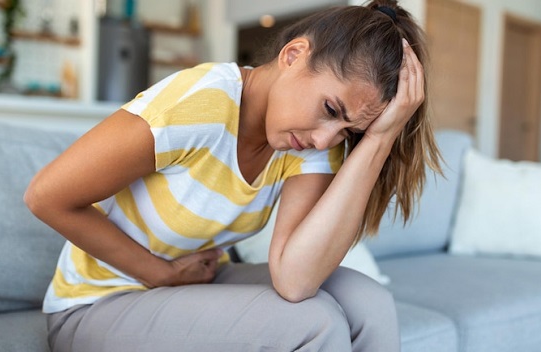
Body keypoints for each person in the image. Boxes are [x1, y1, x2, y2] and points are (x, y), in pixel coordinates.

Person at [25, 0, 441, 350]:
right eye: (331, 110)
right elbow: (45, 195)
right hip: (96, 303)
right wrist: (160, 274)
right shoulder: (200, 103)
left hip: (192, 281)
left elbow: (295, 278)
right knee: (315, 324)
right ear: (293, 55)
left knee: (371, 304)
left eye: (348, 131)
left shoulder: (310, 143)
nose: (325, 140)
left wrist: (378, 140)